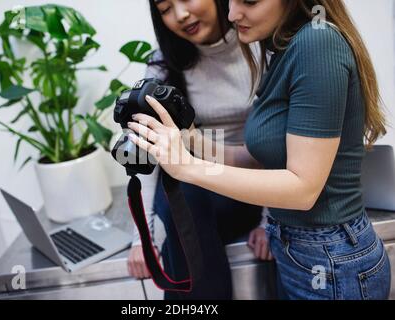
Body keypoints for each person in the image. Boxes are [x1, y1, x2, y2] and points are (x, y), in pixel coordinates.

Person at [127, 0, 392, 300]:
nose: (232, 14)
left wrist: (188, 167)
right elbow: (252, 158)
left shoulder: (316, 45)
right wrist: (189, 140)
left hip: (329, 257)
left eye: (249, 1)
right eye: (232, 1)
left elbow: (303, 189)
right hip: (298, 249)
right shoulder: (284, 51)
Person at [127, 0, 272, 300]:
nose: (180, 15)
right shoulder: (163, 64)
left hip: (252, 184)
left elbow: (280, 141)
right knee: (181, 193)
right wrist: (142, 237)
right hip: (191, 190)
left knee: (182, 211)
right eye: (165, 9)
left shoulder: (263, 46)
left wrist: (271, 221)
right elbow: (146, 149)